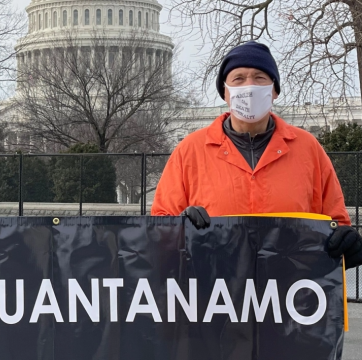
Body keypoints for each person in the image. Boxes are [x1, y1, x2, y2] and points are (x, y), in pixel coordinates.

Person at [151, 41, 362, 269]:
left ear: (274, 90)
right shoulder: (189, 151)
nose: (249, 86)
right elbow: (158, 231)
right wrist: (179, 226)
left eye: (260, 77)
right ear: (225, 92)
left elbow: (335, 224)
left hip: (290, 296)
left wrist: (347, 244)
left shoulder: (308, 149)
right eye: (239, 78)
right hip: (215, 296)